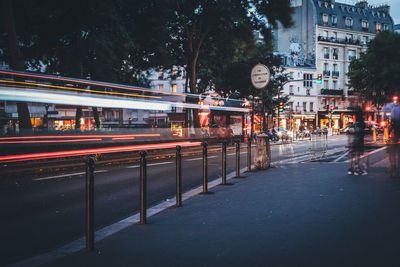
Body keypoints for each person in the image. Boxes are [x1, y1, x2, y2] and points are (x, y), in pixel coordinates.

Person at [347, 108, 367, 176]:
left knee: (351, 154)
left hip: (352, 141)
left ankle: (350, 169)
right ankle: (357, 168)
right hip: (358, 140)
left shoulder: (354, 123)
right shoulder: (361, 123)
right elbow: (360, 130)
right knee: (357, 154)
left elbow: (349, 131)